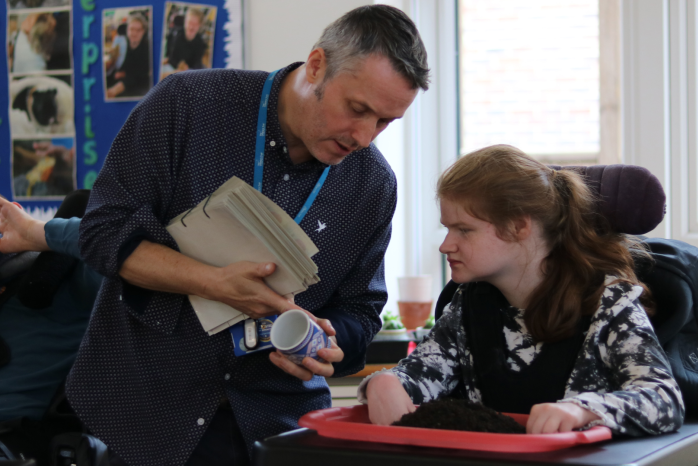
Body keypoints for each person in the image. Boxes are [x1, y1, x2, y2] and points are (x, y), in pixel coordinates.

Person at [68, 5, 429, 466]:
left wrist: (331, 344)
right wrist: (211, 282)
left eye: (385, 122)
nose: (363, 136)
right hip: (146, 414)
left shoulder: (373, 185)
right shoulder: (188, 106)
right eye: (357, 109)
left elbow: (361, 309)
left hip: (275, 426)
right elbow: (102, 233)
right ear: (317, 64)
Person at [361, 145, 685, 436]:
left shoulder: (608, 301)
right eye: (447, 229)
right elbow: (422, 375)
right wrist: (385, 382)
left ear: (518, 226)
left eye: (464, 230)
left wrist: (581, 409)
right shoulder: (469, 304)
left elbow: (663, 398)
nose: (446, 245)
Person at [0, 192, 102, 463]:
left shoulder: (61, 276)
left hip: (23, 438)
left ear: (14, 213)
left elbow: (116, 245)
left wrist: (39, 232)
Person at [106, 13, 151, 99]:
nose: (134, 33)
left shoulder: (148, 48)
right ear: (127, 30)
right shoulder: (121, 44)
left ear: (143, 31)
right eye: (131, 29)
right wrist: (110, 64)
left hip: (137, 88)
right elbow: (115, 67)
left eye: (138, 30)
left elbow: (140, 75)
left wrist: (124, 76)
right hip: (118, 81)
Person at [162, 7, 207, 75]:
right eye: (190, 23)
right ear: (185, 22)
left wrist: (188, 68)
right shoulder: (176, 36)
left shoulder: (200, 43)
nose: (191, 27)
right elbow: (170, 58)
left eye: (195, 24)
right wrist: (178, 65)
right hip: (173, 67)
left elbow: (197, 63)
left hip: (189, 71)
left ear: (199, 25)